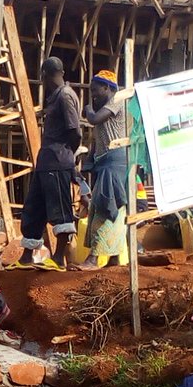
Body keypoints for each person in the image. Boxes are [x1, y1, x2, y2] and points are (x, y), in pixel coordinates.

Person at [11, 57, 86, 272]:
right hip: (46, 162)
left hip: (57, 162)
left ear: (44, 74)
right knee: (34, 208)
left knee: (60, 211)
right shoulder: (55, 97)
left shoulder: (65, 96)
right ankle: (26, 257)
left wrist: (66, 155)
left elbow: (75, 132)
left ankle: (58, 258)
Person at [77, 70, 129, 271]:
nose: (93, 94)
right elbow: (98, 138)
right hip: (107, 162)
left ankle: (93, 258)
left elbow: (94, 119)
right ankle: (114, 256)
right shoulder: (108, 106)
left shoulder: (116, 101)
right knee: (112, 208)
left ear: (107, 88)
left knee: (104, 207)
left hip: (114, 162)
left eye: (95, 90)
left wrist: (88, 109)